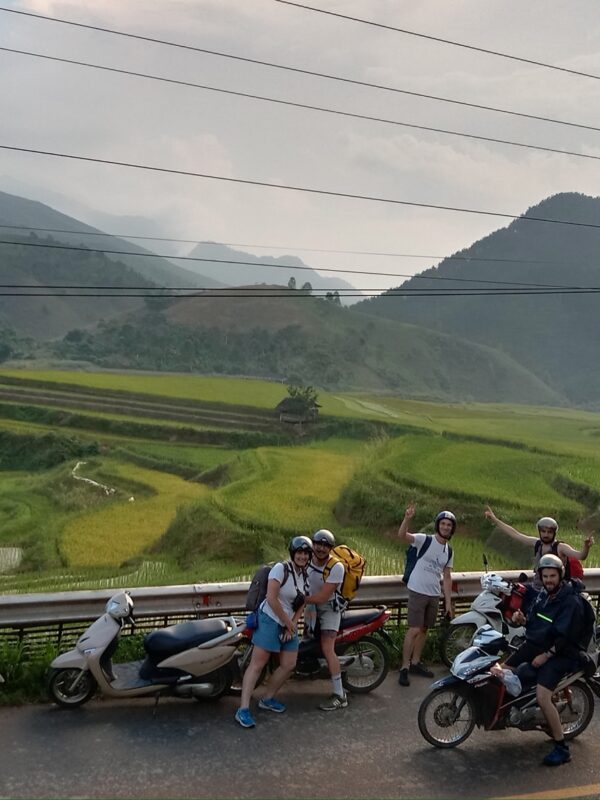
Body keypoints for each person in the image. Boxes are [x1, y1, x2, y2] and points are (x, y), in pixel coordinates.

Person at [506, 553, 586, 766]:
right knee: (503, 669)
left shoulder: (570, 602)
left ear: (560, 575)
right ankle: (507, 713)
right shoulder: (544, 595)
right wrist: (523, 619)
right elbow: (536, 620)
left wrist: (545, 656)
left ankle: (561, 748)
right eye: (545, 576)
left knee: (543, 696)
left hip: (563, 653)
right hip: (539, 643)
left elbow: (565, 637)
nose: (549, 580)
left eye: (552, 576)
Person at [235, 536, 311, 728]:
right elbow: (271, 598)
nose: (302, 556)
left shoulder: (304, 575)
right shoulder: (281, 569)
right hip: (270, 619)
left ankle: (267, 698)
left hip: (288, 623)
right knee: (257, 664)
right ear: (293, 553)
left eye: (305, 553)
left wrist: (292, 623)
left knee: (289, 664)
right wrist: (287, 623)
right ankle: (243, 709)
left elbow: (302, 601)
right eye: (299, 553)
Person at [397, 504, 455, 687]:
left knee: (424, 630)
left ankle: (416, 662)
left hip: (434, 594)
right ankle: (404, 668)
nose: (446, 527)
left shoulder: (449, 551)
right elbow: (402, 536)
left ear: (452, 529)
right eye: (443, 523)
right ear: (438, 525)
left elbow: (447, 577)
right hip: (417, 590)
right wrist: (407, 518)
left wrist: (447, 603)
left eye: (449, 525)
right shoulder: (425, 540)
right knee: (414, 629)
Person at [484, 507, 593, 586]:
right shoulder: (537, 544)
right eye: (543, 531)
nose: (546, 535)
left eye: (549, 532)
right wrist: (494, 519)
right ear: (539, 532)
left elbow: (580, 556)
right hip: (537, 587)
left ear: (554, 533)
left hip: (555, 589)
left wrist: (586, 547)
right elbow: (515, 534)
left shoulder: (560, 548)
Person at [304, 528, 348, 711]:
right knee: (307, 638)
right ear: (312, 544)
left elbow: (323, 596)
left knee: (327, 648)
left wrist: (299, 599)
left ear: (330, 548)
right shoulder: (306, 559)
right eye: (318, 544)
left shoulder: (336, 566)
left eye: (325, 545)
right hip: (311, 605)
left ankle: (340, 695)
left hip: (329, 607)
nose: (320, 548)